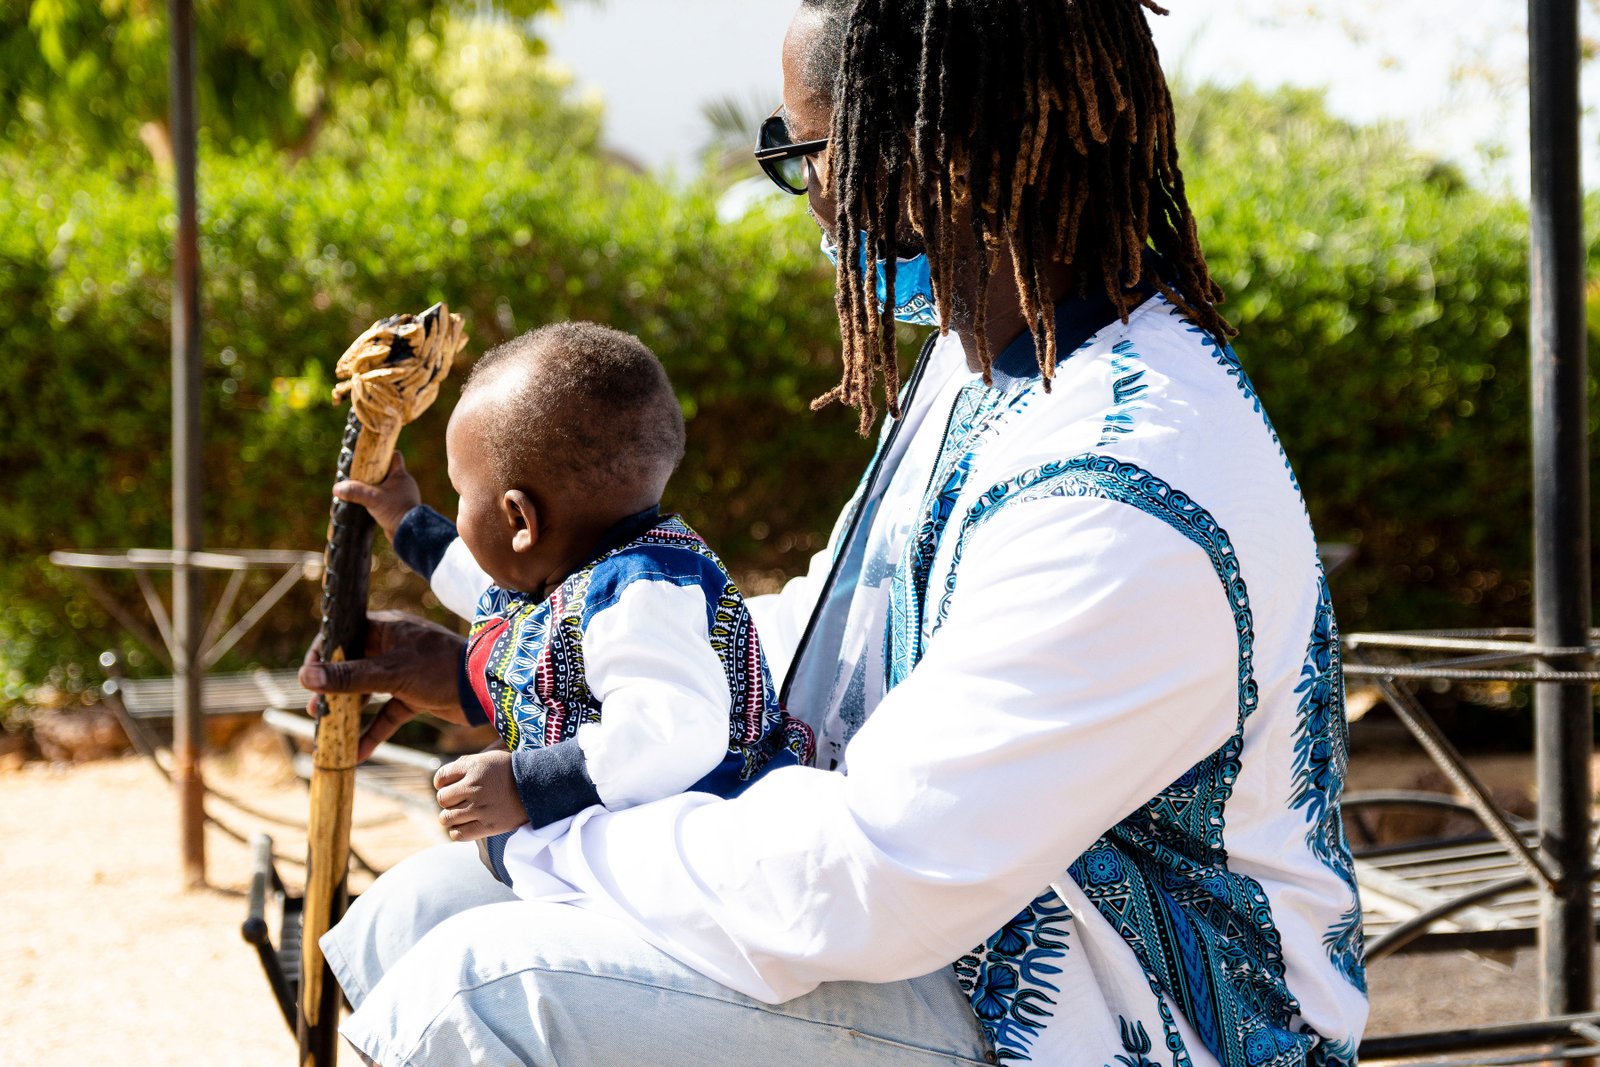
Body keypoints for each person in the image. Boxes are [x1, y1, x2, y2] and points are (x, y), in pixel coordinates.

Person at [303, 2, 1370, 1064]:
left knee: (482, 990)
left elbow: (878, 877)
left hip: (1123, 1011)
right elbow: (837, 634)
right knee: (424, 905)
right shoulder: (989, 363)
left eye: (803, 150)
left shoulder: (1122, 487)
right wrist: (499, 671)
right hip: (965, 920)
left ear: (931, 155)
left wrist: (556, 827)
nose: (807, 195)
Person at [332, 322, 813, 886]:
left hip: (693, 870)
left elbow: (672, 729)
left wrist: (526, 783)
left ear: (519, 520)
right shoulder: (559, 571)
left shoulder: (640, 591)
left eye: (461, 493)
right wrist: (402, 518)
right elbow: (469, 571)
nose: (458, 510)